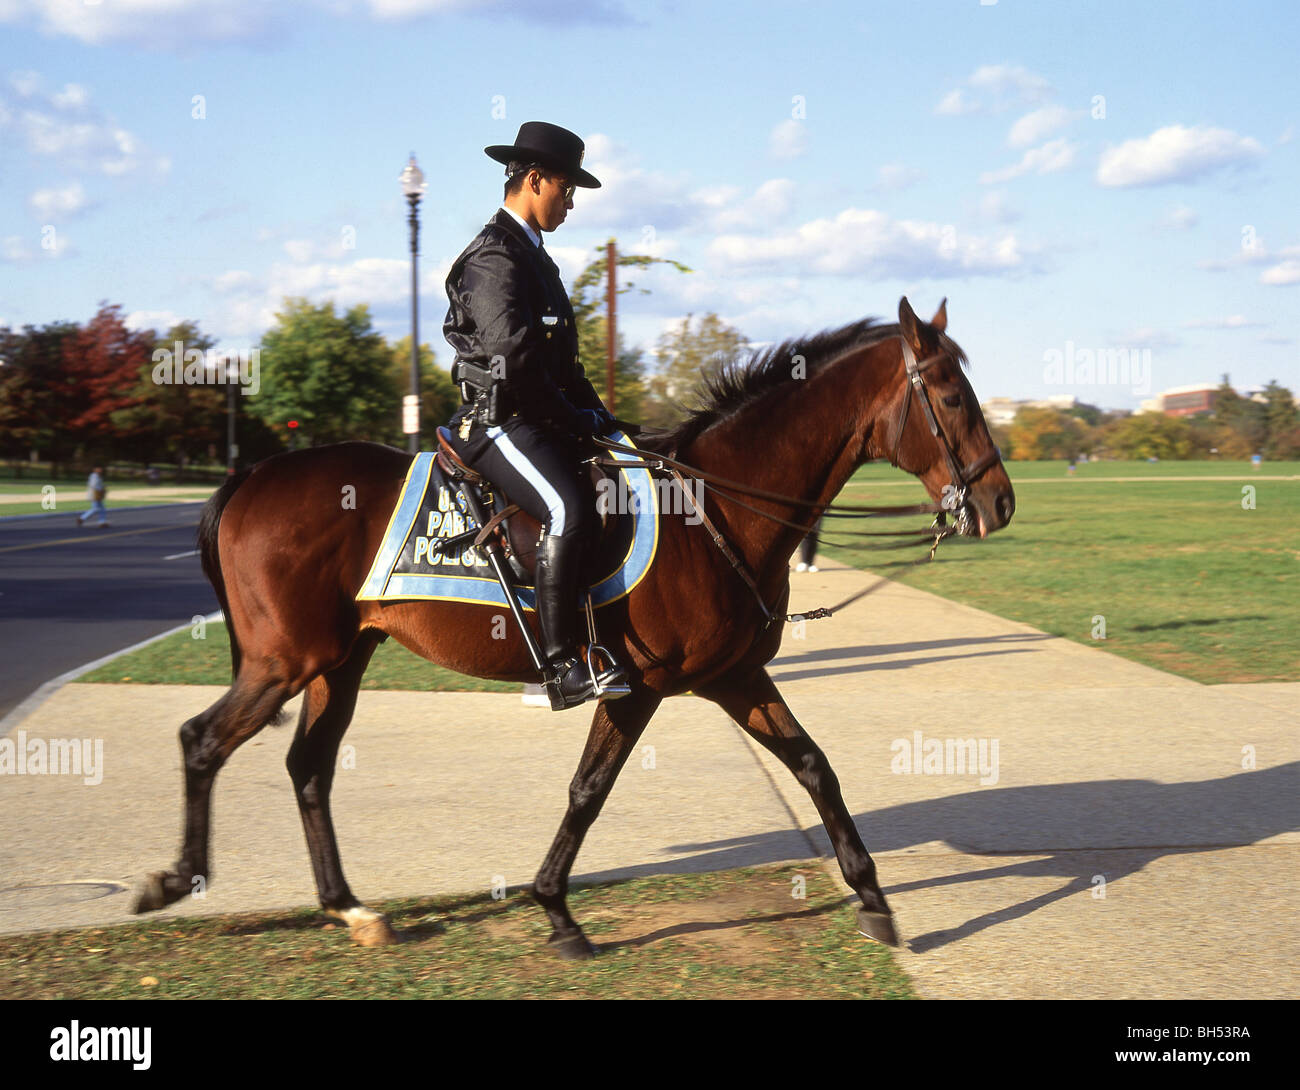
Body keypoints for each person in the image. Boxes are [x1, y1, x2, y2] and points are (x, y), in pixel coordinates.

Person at [442, 121, 628, 712]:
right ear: (535, 178)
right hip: (497, 420)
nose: (570, 201)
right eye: (566, 188)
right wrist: (576, 422)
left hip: (535, 417)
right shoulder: (496, 256)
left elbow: (565, 367)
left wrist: (608, 424)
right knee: (568, 506)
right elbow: (515, 364)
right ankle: (560, 665)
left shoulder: (534, 256)